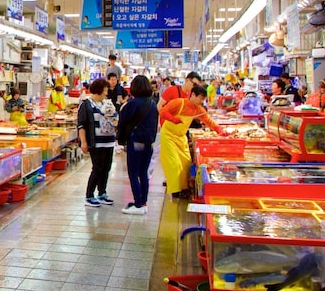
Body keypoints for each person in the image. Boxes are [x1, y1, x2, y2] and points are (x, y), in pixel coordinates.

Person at [159, 84, 225, 198]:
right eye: (200, 98)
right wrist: (173, 119)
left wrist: (220, 131)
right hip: (168, 136)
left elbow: (208, 120)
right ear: (193, 95)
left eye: (203, 99)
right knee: (173, 164)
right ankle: (175, 191)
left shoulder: (198, 109)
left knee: (186, 163)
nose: (201, 101)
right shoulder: (178, 103)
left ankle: (184, 188)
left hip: (181, 137)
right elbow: (163, 111)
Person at [118, 75, 159, 215]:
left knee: (133, 173)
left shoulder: (131, 104)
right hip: (149, 143)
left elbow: (122, 123)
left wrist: (121, 140)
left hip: (135, 142)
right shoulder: (153, 104)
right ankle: (143, 202)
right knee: (144, 173)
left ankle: (137, 204)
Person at [78, 78, 117, 207]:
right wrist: (84, 142)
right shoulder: (86, 105)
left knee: (106, 168)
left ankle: (102, 193)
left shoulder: (107, 104)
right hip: (96, 143)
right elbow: (81, 125)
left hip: (109, 142)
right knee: (97, 168)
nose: (106, 94)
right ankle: (89, 195)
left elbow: (114, 118)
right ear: (99, 91)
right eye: (105, 91)